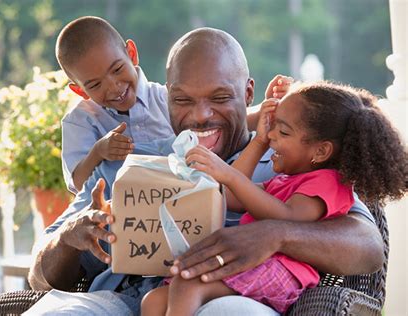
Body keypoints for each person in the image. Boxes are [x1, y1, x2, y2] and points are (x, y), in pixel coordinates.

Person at [27, 27, 385, 315]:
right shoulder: (127, 162)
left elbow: (368, 247)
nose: (200, 116)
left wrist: (275, 234)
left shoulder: (287, 164)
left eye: (218, 98)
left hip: (228, 296)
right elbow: (39, 277)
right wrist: (70, 238)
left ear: (247, 95)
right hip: (120, 301)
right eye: (183, 100)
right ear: (167, 97)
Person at [140, 82, 407, 315]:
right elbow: (233, 196)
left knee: (188, 283)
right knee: (154, 300)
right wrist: (259, 143)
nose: (272, 137)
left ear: (321, 150)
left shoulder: (328, 183)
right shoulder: (285, 181)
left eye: (284, 132)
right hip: (257, 264)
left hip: (282, 271)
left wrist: (228, 175)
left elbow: (288, 218)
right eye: (273, 128)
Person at [57, 16, 292, 193]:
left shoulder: (161, 98)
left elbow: (230, 122)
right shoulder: (83, 122)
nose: (113, 87)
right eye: (95, 84)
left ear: (132, 54)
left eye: (117, 70)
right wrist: (98, 152)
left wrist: (270, 108)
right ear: (79, 90)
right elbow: (79, 186)